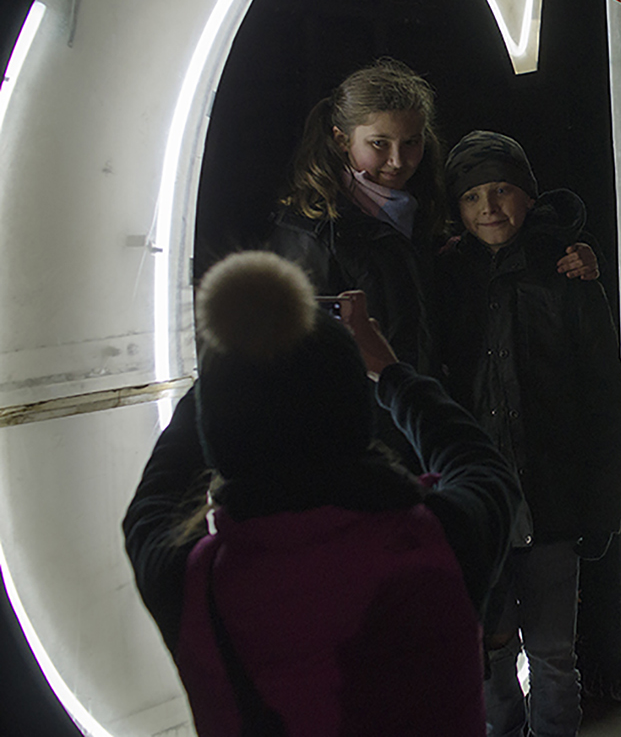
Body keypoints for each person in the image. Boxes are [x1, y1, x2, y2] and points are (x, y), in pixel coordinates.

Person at [123, 251, 519, 736]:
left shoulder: (192, 585)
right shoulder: (441, 541)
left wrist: (228, 365)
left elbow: (154, 500)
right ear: (354, 410)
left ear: (219, 428)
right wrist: (390, 371)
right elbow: (480, 464)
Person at [438, 131, 621, 737]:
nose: (488, 207)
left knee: (550, 653)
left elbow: (605, 394)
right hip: (481, 509)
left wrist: (600, 504)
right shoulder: (446, 278)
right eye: (471, 197)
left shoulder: (567, 273)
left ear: (528, 194)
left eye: (501, 191)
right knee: (491, 652)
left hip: (551, 499)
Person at [268, 58, 596, 378]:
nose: (397, 160)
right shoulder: (310, 231)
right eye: (379, 144)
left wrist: (570, 253)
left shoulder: (425, 218)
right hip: (365, 425)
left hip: (423, 418)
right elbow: (297, 348)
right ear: (342, 139)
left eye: (411, 142)